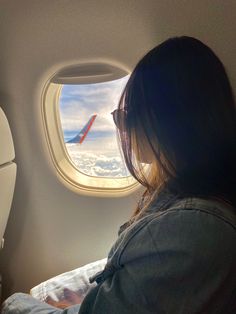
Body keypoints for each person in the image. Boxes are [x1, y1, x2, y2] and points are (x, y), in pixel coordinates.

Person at [2, 36, 236, 313]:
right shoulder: (185, 196)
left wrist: (13, 303)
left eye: (127, 114)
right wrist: (70, 298)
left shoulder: (191, 228)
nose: (122, 127)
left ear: (168, 120)